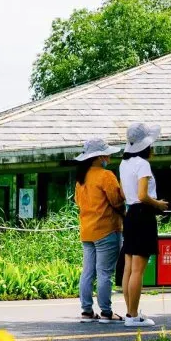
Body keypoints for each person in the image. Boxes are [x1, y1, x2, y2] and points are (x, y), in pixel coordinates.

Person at [119, 123, 168, 327]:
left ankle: (131, 313)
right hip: (143, 214)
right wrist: (159, 204)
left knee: (129, 268)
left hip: (130, 214)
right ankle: (132, 316)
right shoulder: (143, 164)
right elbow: (142, 195)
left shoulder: (124, 164)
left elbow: (125, 194)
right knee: (138, 269)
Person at [73, 138, 125, 323]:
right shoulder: (106, 175)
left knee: (88, 272)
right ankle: (106, 312)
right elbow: (117, 200)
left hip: (87, 231)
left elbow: (78, 202)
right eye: (107, 153)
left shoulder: (81, 179)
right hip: (106, 230)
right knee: (104, 273)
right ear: (99, 157)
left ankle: (86, 311)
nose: (109, 156)